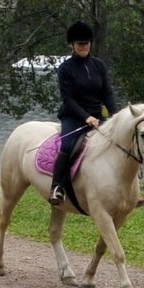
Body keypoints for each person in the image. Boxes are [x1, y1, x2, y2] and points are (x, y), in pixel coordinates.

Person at [50, 21, 119, 207]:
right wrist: (86, 117)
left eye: (87, 43)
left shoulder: (99, 65)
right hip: (73, 116)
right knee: (67, 145)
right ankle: (57, 186)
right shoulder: (65, 69)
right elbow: (68, 100)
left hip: (97, 116)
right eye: (80, 44)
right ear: (72, 45)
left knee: (121, 140)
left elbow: (106, 93)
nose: (84, 47)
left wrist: (115, 116)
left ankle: (126, 189)